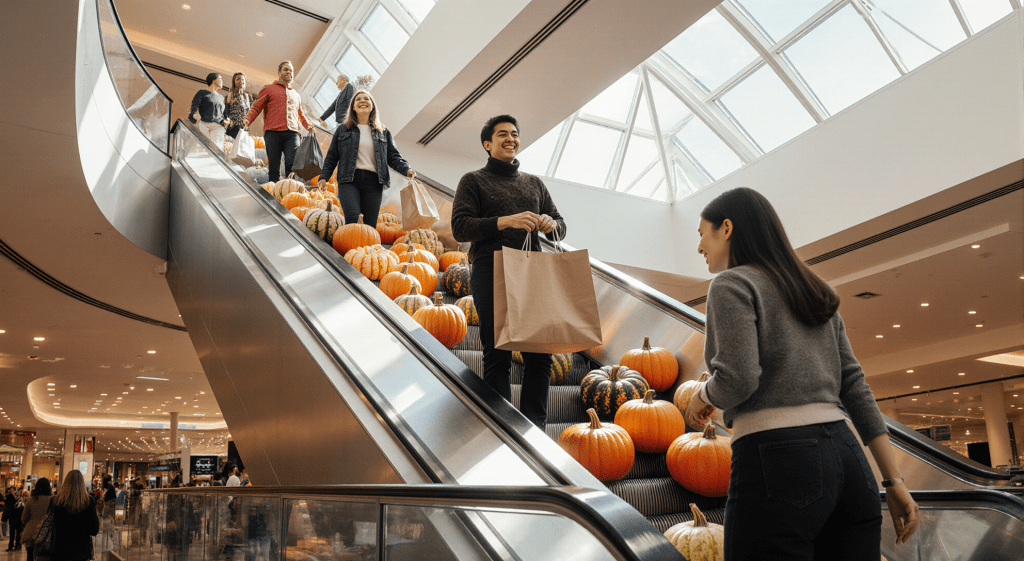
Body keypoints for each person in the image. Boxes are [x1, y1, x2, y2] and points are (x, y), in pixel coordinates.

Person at [684, 187, 920, 560]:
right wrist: (894, 480)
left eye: (702, 234)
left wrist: (702, 396)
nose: (699, 247)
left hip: (777, 460)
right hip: (849, 462)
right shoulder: (815, 291)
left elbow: (739, 378)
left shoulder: (732, 283)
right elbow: (854, 387)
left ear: (726, 228)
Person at [451, 115, 566, 430]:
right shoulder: (473, 180)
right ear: (487, 144)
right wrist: (506, 221)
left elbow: (560, 225)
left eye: (514, 134)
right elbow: (460, 227)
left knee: (540, 355)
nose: (510, 138)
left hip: (531, 272)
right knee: (498, 352)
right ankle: (503, 430)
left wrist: (551, 224)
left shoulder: (534, 183)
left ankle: (534, 432)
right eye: (502, 134)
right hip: (491, 268)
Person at [318, 89, 416, 228]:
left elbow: (393, 156)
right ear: (353, 107)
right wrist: (324, 177)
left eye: (366, 99)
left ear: (372, 106)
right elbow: (332, 156)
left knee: (369, 226)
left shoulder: (383, 132)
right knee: (353, 219)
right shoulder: (343, 129)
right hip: (349, 181)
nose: (362, 101)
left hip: (374, 184)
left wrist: (407, 169)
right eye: (358, 99)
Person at [243, 61, 312, 182]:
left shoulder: (296, 94)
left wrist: (308, 126)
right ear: (279, 72)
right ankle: (273, 191)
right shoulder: (268, 89)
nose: (289, 72)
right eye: (286, 69)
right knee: (274, 167)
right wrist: (248, 119)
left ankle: (290, 189)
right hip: (273, 133)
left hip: (292, 133)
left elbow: (300, 114)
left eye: (291, 70)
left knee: (292, 165)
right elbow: (257, 106)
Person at [51, 470, 99, 561]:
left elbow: (54, 524)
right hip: (81, 551)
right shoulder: (88, 502)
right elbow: (94, 530)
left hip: (61, 549)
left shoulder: (57, 501)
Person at [189, 73, 231, 147]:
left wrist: (226, 121)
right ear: (213, 80)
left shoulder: (221, 98)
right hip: (204, 123)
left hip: (218, 126)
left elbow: (224, 113)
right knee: (203, 146)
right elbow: (194, 106)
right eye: (220, 79)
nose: (222, 81)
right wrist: (193, 115)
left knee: (216, 147)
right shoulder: (202, 93)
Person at [21, 478, 51, 561]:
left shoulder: (31, 500)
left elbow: (23, 519)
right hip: (47, 535)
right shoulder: (53, 500)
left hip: (31, 534)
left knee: (30, 557)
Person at [224, 72, 252, 139]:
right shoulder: (230, 96)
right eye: (238, 79)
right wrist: (229, 123)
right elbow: (225, 113)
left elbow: (249, 113)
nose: (241, 81)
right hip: (233, 129)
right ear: (234, 82)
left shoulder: (247, 97)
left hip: (244, 129)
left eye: (242, 79)